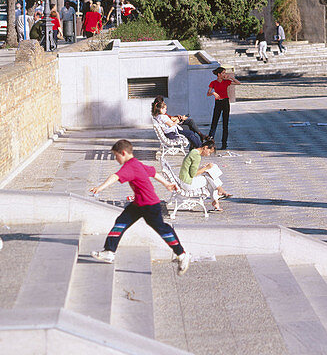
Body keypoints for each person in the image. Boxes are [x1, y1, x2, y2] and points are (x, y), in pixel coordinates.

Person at [89, 138, 190, 273]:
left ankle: (182, 254)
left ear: (123, 153)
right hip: (139, 203)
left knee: (162, 229)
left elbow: (115, 176)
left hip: (149, 205)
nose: (116, 159)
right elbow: (154, 173)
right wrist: (166, 184)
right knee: (121, 222)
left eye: (116, 155)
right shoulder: (136, 163)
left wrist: (100, 188)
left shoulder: (129, 166)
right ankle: (109, 252)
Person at [179, 137, 230, 211]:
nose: (208, 155)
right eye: (209, 152)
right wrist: (206, 168)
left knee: (209, 176)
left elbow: (192, 171)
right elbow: (193, 174)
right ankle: (218, 192)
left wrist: (204, 168)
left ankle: (216, 200)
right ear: (205, 148)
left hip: (184, 180)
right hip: (187, 183)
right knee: (208, 176)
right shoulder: (196, 156)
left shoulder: (194, 152)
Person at [207, 66, 241, 149]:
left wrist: (231, 77)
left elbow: (238, 83)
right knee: (214, 122)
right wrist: (213, 93)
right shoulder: (213, 82)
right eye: (223, 73)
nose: (224, 74)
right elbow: (208, 93)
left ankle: (224, 143)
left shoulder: (226, 82)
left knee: (225, 124)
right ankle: (210, 142)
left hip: (225, 102)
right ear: (219, 74)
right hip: (218, 102)